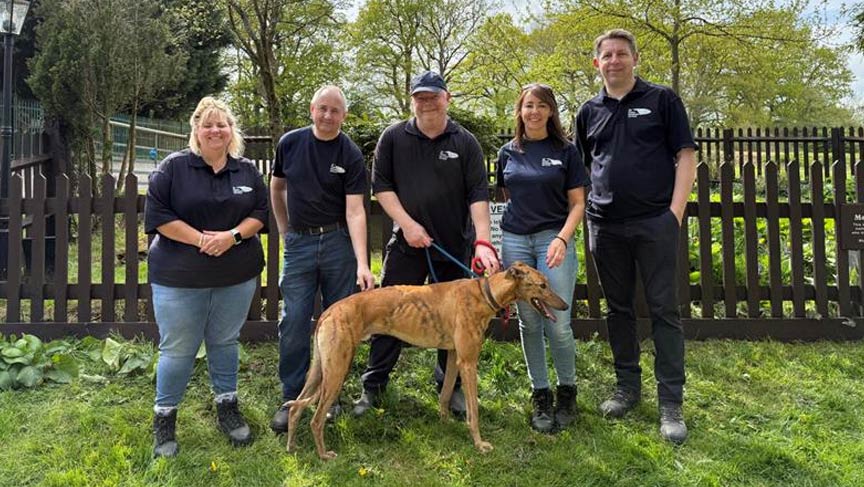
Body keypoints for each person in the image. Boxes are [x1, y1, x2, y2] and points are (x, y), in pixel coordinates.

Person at [352, 71, 501, 417]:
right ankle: (373, 387)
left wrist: (483, 242)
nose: (426, 102)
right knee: (386, 314)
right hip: (407, 245)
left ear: (447, 98)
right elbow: (382, 189)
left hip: (454, 247)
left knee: (457, 323)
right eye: (420, 97)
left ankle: (451, 388)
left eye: (433, 96)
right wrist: (407, 226)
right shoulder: (393, 137)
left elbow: (478, 196)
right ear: (412, 101)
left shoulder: (465, 142)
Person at [574, 29, 697, 444]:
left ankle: (670, 402)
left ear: (635, 59)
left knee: (664, 309)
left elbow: (686, 156)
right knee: (618, 309)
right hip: (604, 226)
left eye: (621, 54)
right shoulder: (588, 110)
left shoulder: (662, 100)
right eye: (606, 55)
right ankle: (627, 387)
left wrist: (673, 215)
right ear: (597, 64)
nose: (614, 60)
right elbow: (582, 168)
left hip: (654, 224)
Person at [145, 96, 268, 457]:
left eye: (222, 124)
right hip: (178, 278)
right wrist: (202, 239)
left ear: (232, 131)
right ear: (196, 130)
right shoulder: (173, 168)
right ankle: (164, 419)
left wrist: (231, 237)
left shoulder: (246, 171)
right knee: (178, 349)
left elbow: (261, 212)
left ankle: (227, 408)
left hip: (236, 275)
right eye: (208, 124)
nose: (216, 130)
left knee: (225, 341)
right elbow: (158, 216)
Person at [268, 85, 376, 433]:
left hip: (337, 245)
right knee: (294, 320)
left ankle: (331, 397)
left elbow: (356, 211)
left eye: (336, 111)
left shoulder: (350, 153)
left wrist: (362, 263)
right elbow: (277, 187)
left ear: (344, 116)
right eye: (323, 109)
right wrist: (286, 233)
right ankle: (292, 398)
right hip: (299, 243)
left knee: (340, 327)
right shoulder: (290, 144)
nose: (328, 116)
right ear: (312, 109)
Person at [497, 83, 589, 433]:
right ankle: (541, 393)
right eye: (527, 105)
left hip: (554, 241)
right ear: (520, 111)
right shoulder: (508, 152)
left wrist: (562, 239)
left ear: (551, 111)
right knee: (529, 322)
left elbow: (578, 202)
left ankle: (567, 389)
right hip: (515, 242)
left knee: (558, 324)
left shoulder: (565, 151)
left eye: (541, 106)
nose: (533, 111)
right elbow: (510, 197)